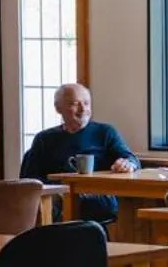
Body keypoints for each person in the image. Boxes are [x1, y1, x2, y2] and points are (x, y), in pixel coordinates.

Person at [17, 82, 138, 225]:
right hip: (56, 197)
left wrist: (127, 164)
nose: (82, 109)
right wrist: (58, 191)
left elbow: (130, 158)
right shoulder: (44, 139)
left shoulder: (105, 132)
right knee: (47, 204)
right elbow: (30, 180)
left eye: (86, 103)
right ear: (58, 108)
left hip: (97, 197)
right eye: (75, 104)